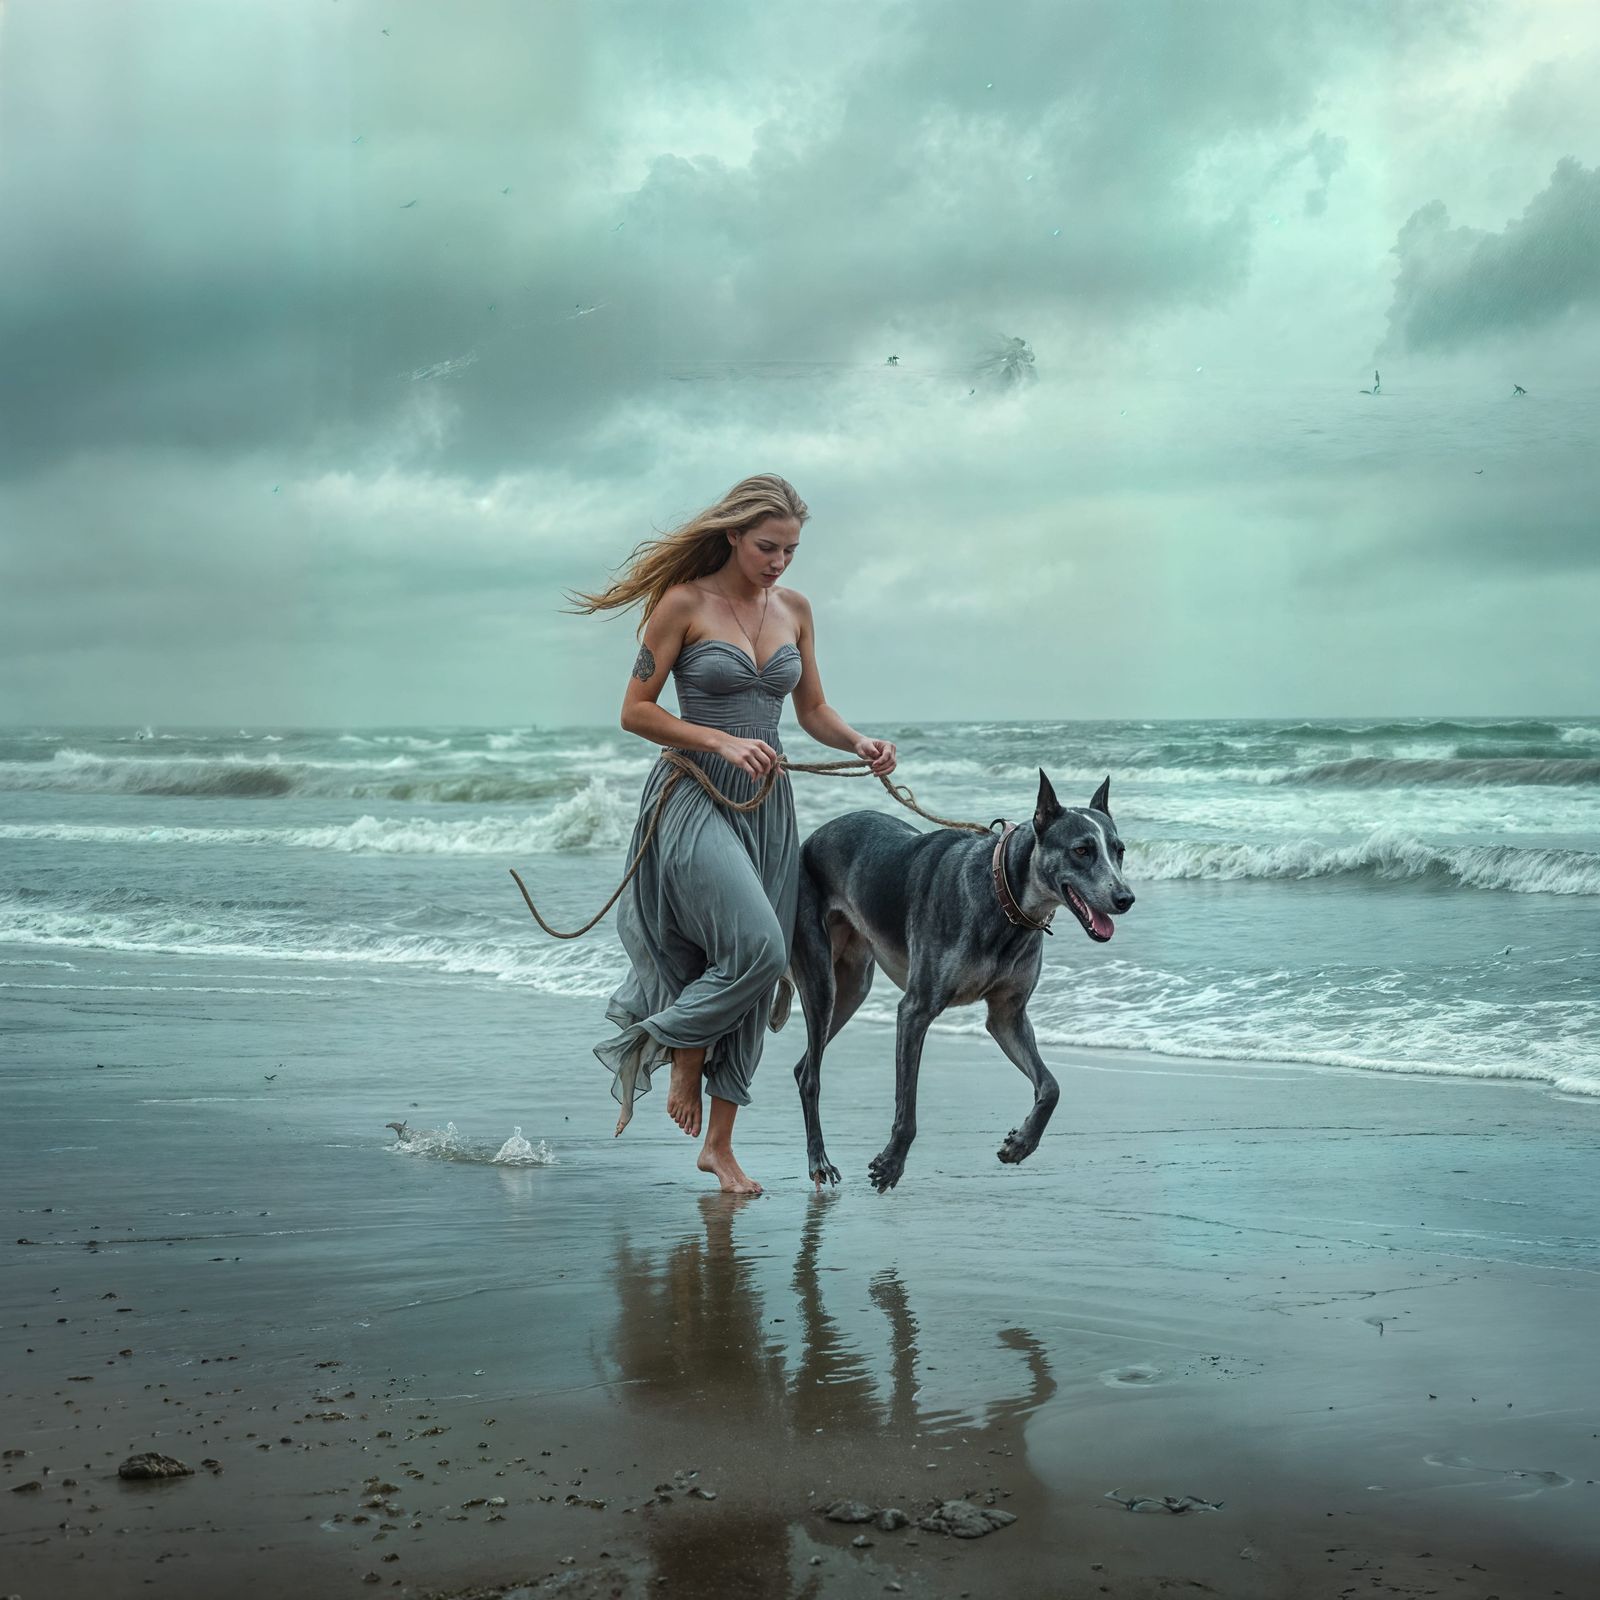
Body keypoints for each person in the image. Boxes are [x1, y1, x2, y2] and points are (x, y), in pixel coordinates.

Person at [565, 474, 897, 1193]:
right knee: (758, 945)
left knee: (753, 966)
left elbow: (811, 709)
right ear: (733, 537)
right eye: (766, 547)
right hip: (692, 794)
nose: (779, 562)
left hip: (768, 807)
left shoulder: (796, 610)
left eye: (791, 550)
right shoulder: (682, 604)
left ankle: (719, 1147)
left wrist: (859, 741)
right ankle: (675, 1046)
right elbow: (635, 710)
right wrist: (716, 741)